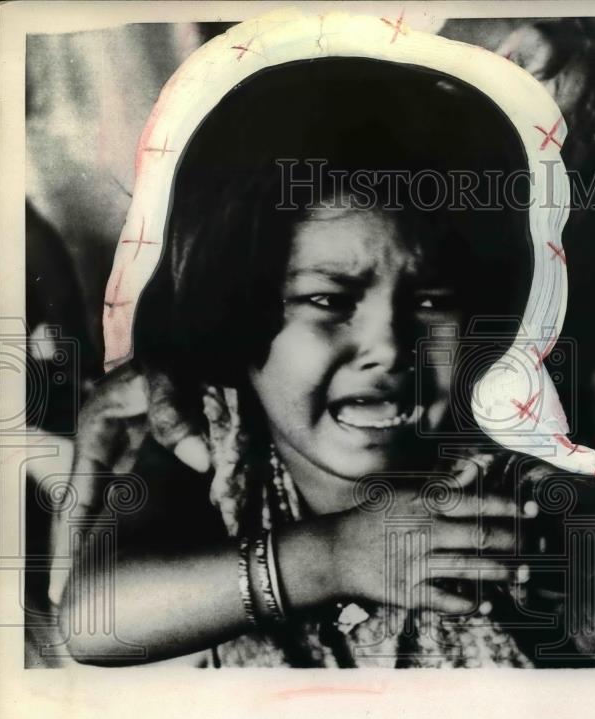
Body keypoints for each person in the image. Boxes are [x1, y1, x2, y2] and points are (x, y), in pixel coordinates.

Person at [58, 58, 547, 668]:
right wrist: (335, 557)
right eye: (328, 300)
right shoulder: (216, 440)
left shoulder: (495, 487)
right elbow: (94, 619)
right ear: (229, 310)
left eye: (432, 301)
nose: (391, 348)